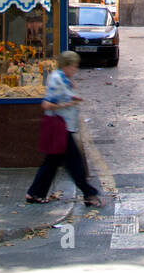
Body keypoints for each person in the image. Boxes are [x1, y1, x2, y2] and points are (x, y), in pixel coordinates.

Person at [26, 50, 103, 207]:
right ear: (66, 66)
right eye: (74, 66)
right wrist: (67, 104)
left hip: (63, 125)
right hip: (60, 126)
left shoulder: (63, 78)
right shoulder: (57, 79)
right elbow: (46, 104)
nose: (75, 69)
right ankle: (89, 194)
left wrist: (72, 96)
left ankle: (35, 193)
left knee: (52, 162)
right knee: (74, 163)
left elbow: (63, 95)